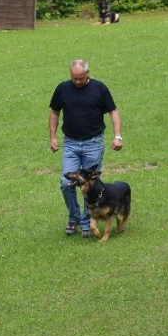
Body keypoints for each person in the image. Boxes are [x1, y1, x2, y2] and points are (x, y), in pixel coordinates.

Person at [49, 60, 123, 237]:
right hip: (71, 143)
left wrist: (117, 136)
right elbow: (54, 112)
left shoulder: (99, 88)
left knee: (91, 185)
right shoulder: (62, 89)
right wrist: (52, 137)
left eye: (81, 78)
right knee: (67, 183)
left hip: (93, 143)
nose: (77, 82)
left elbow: (113, 111)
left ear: (88, 74)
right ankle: (73, 218)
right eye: (74, 78)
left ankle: (86, 223)